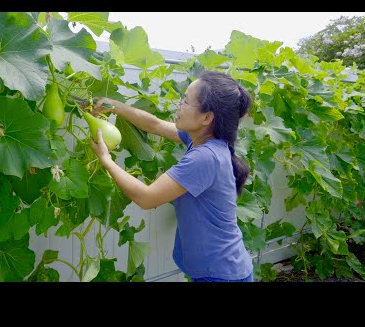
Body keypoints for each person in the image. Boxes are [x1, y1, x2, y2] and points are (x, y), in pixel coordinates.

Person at [89, 70, 254, 282]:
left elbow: (146, 198)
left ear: (207, 117)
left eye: (185, 101)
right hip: (218, 268)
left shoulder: (205, 157)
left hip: (221, 274)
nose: (179, 105)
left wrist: (106, 160)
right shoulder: (203, 139)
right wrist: (114, 105)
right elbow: (154, 125)